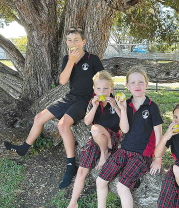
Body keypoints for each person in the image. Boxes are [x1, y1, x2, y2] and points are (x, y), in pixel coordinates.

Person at [4, 27, 104, 189]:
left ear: (83, 42)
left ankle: (70, 166)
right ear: (66, 43)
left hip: (85, 100)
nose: (73, 43)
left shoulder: (93, 59)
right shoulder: (67, 59)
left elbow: (103, 80)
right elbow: (63, 81)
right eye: (70, 40)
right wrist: (71, 61)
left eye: (76, 40)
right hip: (70, 97)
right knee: (38, 118)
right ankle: (24, 148)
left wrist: (99, 100)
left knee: (62, 125)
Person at [91, 65, 163, 208]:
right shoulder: (126, 103)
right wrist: (121, 109)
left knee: (123, 186)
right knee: (100, 180)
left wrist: (158, 158)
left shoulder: (152, 107)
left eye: (140, 82)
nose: (137, 86)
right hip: (124, 151)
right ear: (127, 86)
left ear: (146, 84)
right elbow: (124, 129)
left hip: (141, 155)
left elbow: (159, 135)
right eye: (133, 83)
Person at [61, 70, 121, 208]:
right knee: (81, 171)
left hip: (111, 138)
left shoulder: (117, 101)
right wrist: (94, 107)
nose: (102, 92)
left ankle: (103, 155)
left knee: (96, 129)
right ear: (94, 90)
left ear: (111, 89)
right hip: (95, 138)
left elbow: (124, 124)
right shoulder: (93, 102)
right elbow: (87, 122)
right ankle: (73, 202)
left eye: (106, 89)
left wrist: (117, 107)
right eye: (99, 89)